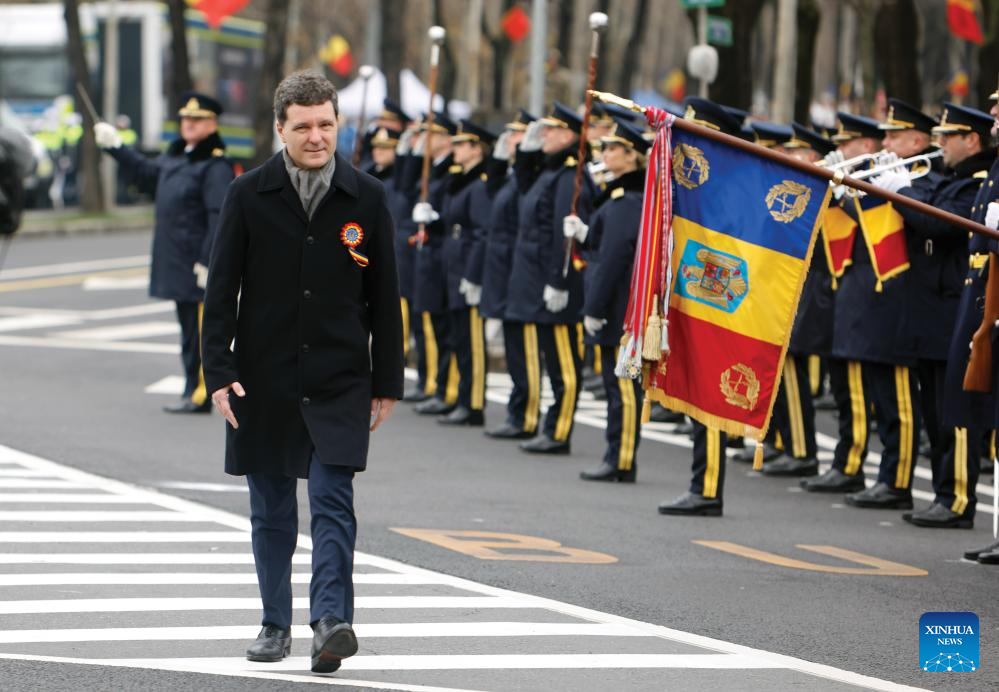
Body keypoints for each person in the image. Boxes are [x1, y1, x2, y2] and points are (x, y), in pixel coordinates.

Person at [200, 71, 404, 672]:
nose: (316, 137)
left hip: (341, 377)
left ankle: (331, 621)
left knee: (331, 498)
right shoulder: (248, 193)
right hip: (261, 378)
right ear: (280, 129)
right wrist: (218, 370)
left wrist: (387, 379)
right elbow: (221, 291)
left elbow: (384, 289)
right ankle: (274, 622)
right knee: (271, 508)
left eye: (326, 125)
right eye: (303, 127)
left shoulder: (367, 196)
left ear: (338, 124)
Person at [95, 92, 234, 414]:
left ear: (212, 124)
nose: (189, 124)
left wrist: (207, 260)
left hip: (195, 263)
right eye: (186, 119)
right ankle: (192, 388)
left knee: (201, 333)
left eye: (197, 120)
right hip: (177, 260)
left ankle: (201, 392)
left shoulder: (214, 165)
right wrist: (115, 147)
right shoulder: (178, 156)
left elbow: (219, 216)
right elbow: (146, 173)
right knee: (188, 332)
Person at [892, 103, 997, 528]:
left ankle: (956, 497)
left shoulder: (975, 179)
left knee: (955, 408)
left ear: (969, 140)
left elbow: (939, 223)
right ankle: (943, 490)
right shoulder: (950, 178)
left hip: (956, 299)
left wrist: (901, 190)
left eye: (947, 138)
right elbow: (930, 203)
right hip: (936, 303)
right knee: (934, 407)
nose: (940, 146)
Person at [837, 99, 933, 511]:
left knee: (898, 401)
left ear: (918, 140)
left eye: (894, 135)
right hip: (875, 298)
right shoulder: (888, 174)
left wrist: (901, 190)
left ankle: (897, 480)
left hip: (903, 297)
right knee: (882, 398)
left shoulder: (925, 179)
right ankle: (887, 474)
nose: (886, 142)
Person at [656, 98, 740, 517]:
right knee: (694, 388)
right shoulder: (694, 178)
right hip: (690, 289)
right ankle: (700, 484)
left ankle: (707, 489)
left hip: (714, 297)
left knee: (708, 391)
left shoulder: (725, 182)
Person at [801, 112, 883, 493]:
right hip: (838, 286)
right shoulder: (852, 176)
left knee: (854, 386)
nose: (839, 149)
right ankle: (845, 461)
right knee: (843, 381)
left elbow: (869, 227)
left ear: (867, 145)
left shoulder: (880, 179)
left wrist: (841, 190)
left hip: (863, 289)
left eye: (847, 142)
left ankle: (852, 464)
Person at [507, 102, 595, 455]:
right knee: (553, 358)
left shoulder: (571, 177)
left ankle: (559, 431)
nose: (545, 135)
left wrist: (559, 281)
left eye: (553, 130)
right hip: (538, 278)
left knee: (563, 364)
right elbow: (525, 191)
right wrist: (526, 152)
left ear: (571, 136)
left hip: (558, 281)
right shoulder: (552, 171)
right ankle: (551, 426)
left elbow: (565, 236)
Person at [576, 118, 650, 482]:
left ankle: (621, 458)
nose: (604, 154)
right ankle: (616, 454)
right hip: (617, 303)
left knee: (622, 384)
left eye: (612, 149)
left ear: (632, 156)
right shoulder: (620, 197)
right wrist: (586, 234)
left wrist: (594, 308)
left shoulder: (626, 200)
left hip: (619, 305)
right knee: (614, 383)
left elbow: (613, 259)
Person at [476, 110, 539, 439]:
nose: (511, 140)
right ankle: (518, 413)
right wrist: (499, 160)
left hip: (521, 270)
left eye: (518, 136)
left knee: (523, 349)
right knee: (515, 347)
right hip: (504, 269)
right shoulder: (515, 175)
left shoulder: (532, 175)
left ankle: (526, 415)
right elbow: (493, 194)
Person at [437, 119, 496, 426]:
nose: (454, 149)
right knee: (458, 337)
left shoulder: (480, 184)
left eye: (461, 145)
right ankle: (462, 396)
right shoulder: (461, 180)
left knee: (471, 340)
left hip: (466, 268)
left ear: (477, 149)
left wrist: (473, 276)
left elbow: (482, 233)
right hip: (454, 265)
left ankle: (473, 402)